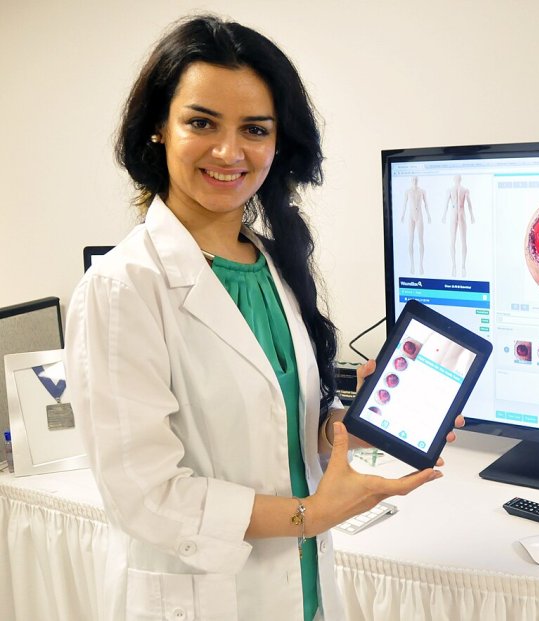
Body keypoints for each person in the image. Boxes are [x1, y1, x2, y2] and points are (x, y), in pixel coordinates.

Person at [64, 14, 460, 621]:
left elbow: (276, 435)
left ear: (279, 142)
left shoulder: (270, 265)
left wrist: (359, 423)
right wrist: (312, 515)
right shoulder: (122, 288)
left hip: (300, 592)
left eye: (254, 129)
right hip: (204, 599)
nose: (229, 152)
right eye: (201, 122)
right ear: (157, 129)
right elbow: (145, 496)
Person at [399, 176, 430, 274]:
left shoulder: (422, 191)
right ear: (411, 181)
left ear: (418, 180)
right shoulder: (407, 192)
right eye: (413, 179)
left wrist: (428, 215)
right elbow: (404, 204)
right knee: (410, 240)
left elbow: (426, 204)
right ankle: (412, 265)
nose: (415, 181)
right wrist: (402, 215)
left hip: (419, 216)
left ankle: (421, 265)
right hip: (411, 216)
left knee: (421, 240)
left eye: (416, 179)